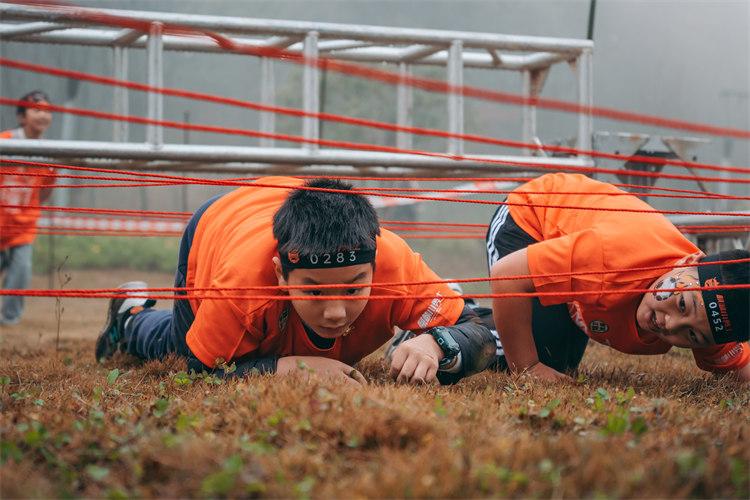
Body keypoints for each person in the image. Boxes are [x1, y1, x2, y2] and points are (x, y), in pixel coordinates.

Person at [95, 177, 499, 385]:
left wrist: (436, 342)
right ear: (279, 273)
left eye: (355, 286)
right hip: (217, 226)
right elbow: (196, 373)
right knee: (177, 348)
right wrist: (286, 368)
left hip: (282, 209)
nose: (336, 311)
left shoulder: (396, 264)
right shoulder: (240, 286)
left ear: (376, 270)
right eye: (314, 290)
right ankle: (129, 318)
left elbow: (482, 327)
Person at [486, 172, 750, 384]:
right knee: (538, 355)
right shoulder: (608, 256)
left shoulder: (710, 306)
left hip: (577, 264)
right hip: (530, 220)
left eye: (691, 336)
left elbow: (739, 368)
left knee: (558, 362)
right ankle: (465, 319)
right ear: (688, 262)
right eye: (681, 305)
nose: (670, 324)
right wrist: (527, 367)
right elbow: (508, 276)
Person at [0, 90, 55, 326]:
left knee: (20, 273)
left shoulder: (51, 151)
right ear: (22, 116)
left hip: (24, 227)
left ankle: (9, 320)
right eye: (36, 110)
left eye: (47, 111)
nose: (42, 115)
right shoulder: (6, 140)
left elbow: (44, 193)